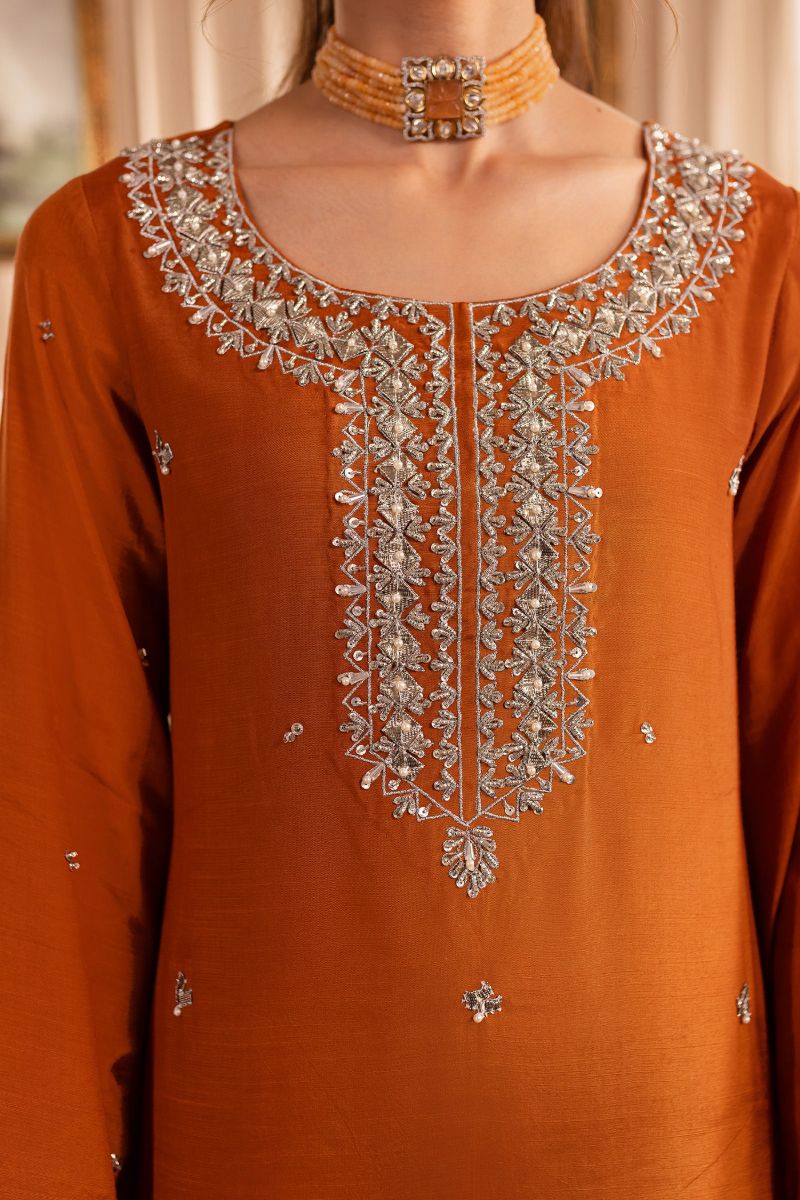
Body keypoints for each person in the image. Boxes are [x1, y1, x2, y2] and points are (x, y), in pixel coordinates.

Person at [1, 0, 798, 1196]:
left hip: (667, 1146)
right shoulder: (111, 253)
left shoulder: (762, 258)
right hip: (269, 1134)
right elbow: (61, 794)